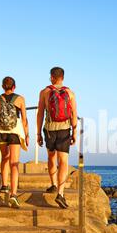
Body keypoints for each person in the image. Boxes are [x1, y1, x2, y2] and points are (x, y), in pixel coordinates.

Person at [37, 67, 78, 209]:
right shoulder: (70, 93)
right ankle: (60, 193)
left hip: (49, 130)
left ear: (51, 77)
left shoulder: (45, 92)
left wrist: (38, 133)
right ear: (63, 77)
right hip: (64, 130)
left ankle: (53, 184)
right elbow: (73, 115)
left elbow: (40, 114)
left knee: (51, 158)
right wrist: (74, 132)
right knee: (64, 162)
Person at [0, 77, 29, 208]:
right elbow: (24, 120)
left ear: (2, 86)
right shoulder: (20, 99)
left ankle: (4, 186)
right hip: (15, 132)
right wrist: (26, 135)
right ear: (14, 87)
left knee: (5, 158)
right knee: (14, 163)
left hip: (1, 132)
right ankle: (13, 194)